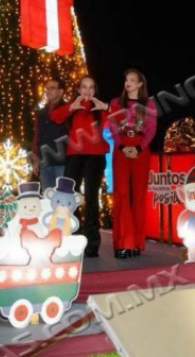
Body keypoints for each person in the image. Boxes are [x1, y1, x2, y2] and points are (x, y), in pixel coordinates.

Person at [50, 76, 110, 257]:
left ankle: (92, 244)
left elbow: (124, 119)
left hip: (95, 157)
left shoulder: (99, 108)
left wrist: (106, 107)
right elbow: (55, 117)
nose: (87, 91)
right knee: (68, 198)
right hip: (75, 157)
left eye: (91, 87)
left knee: (91, 198)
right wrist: (71, 107)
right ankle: (71, 239)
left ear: (95, 90)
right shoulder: (72, 107)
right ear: (78, 89)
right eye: (84, 87)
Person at [109, 69, 158, 259]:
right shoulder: (116, 103)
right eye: (126, 79)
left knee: (138, 195)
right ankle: (123, 242)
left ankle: (137, 242)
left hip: (140, 148)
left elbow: (151, 130)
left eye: (132, 79)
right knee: (121, 194)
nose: (127, 82)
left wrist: (138, 148)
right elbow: (113, 127)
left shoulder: (149, 104)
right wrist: (122, 147)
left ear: (140, 84)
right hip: (121, 147)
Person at [31, 78, 69, 191]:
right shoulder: (41, 113)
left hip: (62, 163)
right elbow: (36, 136)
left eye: (52, 88)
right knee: (47, 198)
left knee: (63, 197)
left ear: (61, 92)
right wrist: (35, 159)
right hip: (44, 163)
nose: (48, 91)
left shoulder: (68, 110)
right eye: (47, 88)